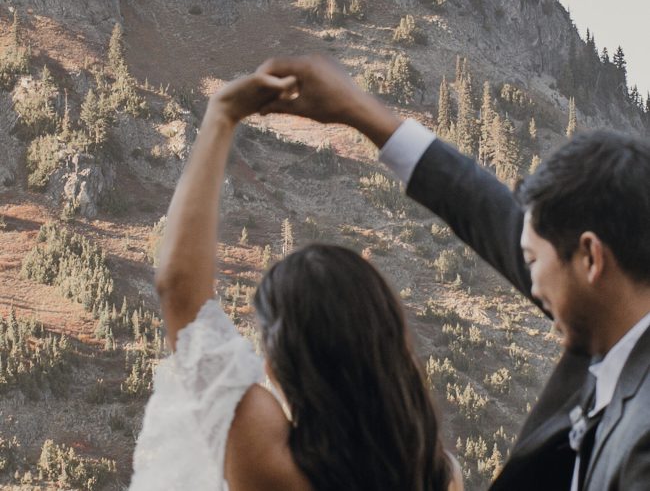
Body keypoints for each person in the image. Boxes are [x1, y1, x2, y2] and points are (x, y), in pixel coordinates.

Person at [257, 54, 650, 491]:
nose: (531, 282)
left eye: (534, 261)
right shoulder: (607, 334)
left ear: (591, 259)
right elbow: (483, 209)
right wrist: (358, 112)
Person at [129, 71, 463, 491]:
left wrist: (221, 114)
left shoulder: (276, 469)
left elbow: (180, 291)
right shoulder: (439, 475)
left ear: (276, 362)